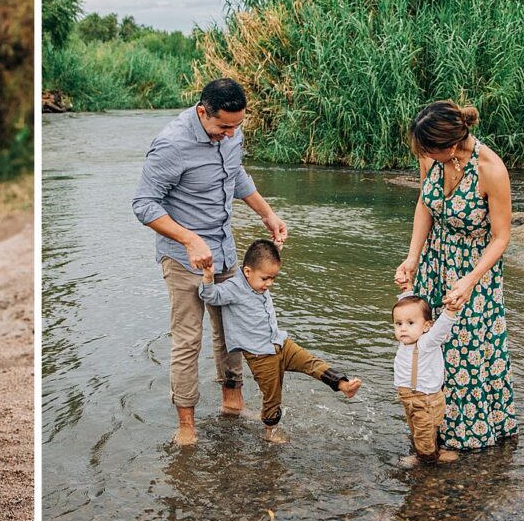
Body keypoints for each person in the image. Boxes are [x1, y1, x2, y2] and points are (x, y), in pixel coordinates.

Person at [133, 79, 288, 446]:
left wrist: (267, 214)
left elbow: (236, 176)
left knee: (232, 333)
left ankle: (232, 404)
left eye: (237, 126)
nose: (231, 134)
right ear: (203, 112)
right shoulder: (172, 144)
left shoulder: (231, 133)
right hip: (184, 260)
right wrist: (188, 239)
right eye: (223, 127)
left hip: (226, 253)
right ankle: (186, 422)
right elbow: (144, 204)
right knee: (189, 339)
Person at [394, 100, 516, 450]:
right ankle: (430, 427)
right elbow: (425, 204)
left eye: (430, 149)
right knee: (428, 346)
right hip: (434, 262)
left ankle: (469, 434)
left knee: (465, 351)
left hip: (475, 271)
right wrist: (413, 256)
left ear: (449, 145)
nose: (426, 156)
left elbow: (502, 237)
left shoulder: (490, 169)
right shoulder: (430, 158)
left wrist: (471, 279)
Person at [199, 239, 362, 443]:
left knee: (311, 362)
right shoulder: (233, 288)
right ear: (248, 272)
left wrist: (276, 246)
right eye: (265, 278)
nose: (269, 284)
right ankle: (270, 430)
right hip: (260, 355)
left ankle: (342, 384)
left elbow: (267, 260)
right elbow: (211, 296)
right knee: (272, 395)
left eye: (273, 278)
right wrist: (207, 277)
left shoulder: (258, 281)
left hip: (280, 343)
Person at [391, 293, 461, 465]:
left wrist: (450, 311)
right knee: (419, 429)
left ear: (427, 326)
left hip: (424, 399)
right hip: (408, 398)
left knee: (423, 431)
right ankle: (434, 451)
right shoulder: (406, 342)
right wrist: (406, 290)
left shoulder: (426, 343)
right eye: (398, 324)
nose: (403, 329)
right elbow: (409, 307)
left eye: (410, 323)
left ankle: (426, 460)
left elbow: (441, 329)